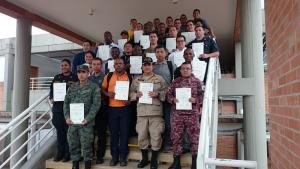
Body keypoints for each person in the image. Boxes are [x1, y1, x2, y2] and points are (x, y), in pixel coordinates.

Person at [129, 57, 167, 169]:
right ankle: (145, 159)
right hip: (141, 112)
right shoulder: (136, 80)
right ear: (142, 66)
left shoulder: (159, 79)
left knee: (156, 135)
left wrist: (158, 94)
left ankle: (154, 160)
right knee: (141, 136)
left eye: (149, 64)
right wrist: (135, 95)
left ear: (152, 66)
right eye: (145, 65)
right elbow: (130, 93)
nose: (147, 66)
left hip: (155, 112)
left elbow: (167, 92)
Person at [167, 61, 204, 169]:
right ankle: (176, 163)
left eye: (188, 68)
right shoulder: (175, 82)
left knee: (194, 138)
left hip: (192, 114)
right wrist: (173, 99)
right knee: (176, 138)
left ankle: (194, 163)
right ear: (180, 70)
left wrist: (195, 100)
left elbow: (203, 97)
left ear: (191, 70)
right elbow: (168, 95)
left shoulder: (197, 82)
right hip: (177, 114)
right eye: (183, 69)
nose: (185, 70)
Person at [64, 64, 101, 169]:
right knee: (73, 143)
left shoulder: (94, 87)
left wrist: (88, 118)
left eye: (83, 72)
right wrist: (67, 117)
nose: (81, 75)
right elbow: (66, 103)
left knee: (87, 144)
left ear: (88, 74)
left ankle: (87, 164)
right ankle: (75, 164)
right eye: (79, 72)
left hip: (86, 122)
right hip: (73, 122)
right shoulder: (72, 87)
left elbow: (96, 104)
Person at [102, 58, 132, 166]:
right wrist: (107, 94)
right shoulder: (109, 76)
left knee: (124, 133)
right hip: (112, 109)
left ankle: (123, 157)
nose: (118, 65)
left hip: (125, 109)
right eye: (116, 64)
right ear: (113, 66)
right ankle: (114, 156)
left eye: (120, 63)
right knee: (114, 133)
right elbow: (102, 89)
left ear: (124, 65)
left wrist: (129, 101)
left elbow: (132, 93)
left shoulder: (129, 77)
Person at [49, 59, 78, 162]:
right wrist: (51, 98)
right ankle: (60, 153)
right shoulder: (57, 77)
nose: (63, 67)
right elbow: (52, 90)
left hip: (70, 108)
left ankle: (67, 153)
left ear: (70, 66)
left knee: (68, 132)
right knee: (59, 131)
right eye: (62, 65)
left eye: (65, 65)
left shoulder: (75, 77)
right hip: (58, 108)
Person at [153, 46, 176, 152]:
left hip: (167, 98)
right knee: (155, 123)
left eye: (161, 51)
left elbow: (176, 80)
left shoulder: (171, 65)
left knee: (168, 122)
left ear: (166, 53)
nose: (159, 53)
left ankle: (166, 143)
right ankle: (156, 144)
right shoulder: (152, 66)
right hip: (154, 98)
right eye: (157, 52)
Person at [88, 58, 107, 164]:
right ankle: (90, 154)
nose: (96, 66)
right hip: (91, 110)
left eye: (98, 64)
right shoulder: (88, 78)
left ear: (101, 65)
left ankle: (100, 155)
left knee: (101, 133)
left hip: (102, 108)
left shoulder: (105, 77)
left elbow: (108, 92)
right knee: (90, 133)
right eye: (93, 64)